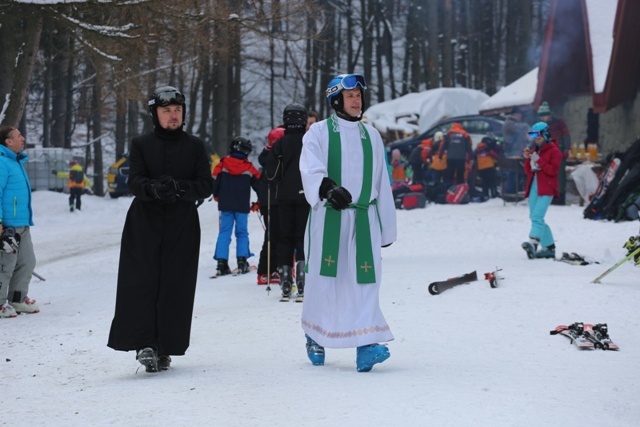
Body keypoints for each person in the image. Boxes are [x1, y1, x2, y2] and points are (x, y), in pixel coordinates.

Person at [107, 86, 212, 372]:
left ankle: (166, 345)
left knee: (176, 285)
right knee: (141, 282)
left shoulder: (195, 146)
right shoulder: (141, 143)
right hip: (145, 223)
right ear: (155, 114)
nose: (173, 115)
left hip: (182, 225)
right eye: (166, 111)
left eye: (177, 110)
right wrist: (153, 188)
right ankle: (144, 344)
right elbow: (134, 181)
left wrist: (180, 188)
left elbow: (206, 185)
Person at [299, 73, 397, 372]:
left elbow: (382, 183)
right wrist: (327, 189)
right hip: (330, 217)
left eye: (359, 95)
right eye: (350, 95)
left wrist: (387, 227)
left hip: (365, 218)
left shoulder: (372, 136)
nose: (357, 100)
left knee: (366, 279)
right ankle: (315, 335)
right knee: (324, 278)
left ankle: (366, 345)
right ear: (336, 99)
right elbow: (310, 168)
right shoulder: (317, 133)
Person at [266, 104, 311, 300]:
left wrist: (278, 182)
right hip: (306, 195)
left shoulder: (280, 144)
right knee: (303, 236)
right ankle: (302, 280)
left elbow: (270, 173)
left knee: (284, 237)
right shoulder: (310, 142)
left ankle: (285, 281)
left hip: (283, 197)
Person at [0, 126, 39, 318]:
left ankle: (17, 299)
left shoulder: (16, 161)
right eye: (18, 136)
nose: (22, 139)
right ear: (8, 141)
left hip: (22, 223)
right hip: (8, 226)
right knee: (6, 265)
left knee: (27, 261)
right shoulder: (2, 162)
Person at [212, 136, 260, 276]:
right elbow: (259, 185)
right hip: (242, 206)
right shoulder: (249, 168)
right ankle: (242, 261)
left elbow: (215, 180)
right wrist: (260, 202)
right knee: (242, 233)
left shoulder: (222, 164)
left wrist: (216, 195)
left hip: (225, 205)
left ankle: (221, 263)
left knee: (224, 233)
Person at [521, 121, 562, 259]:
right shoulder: (535, 150)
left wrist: (539, 161)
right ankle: (549, 248)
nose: (536, 139)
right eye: (534, 137)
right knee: (534, 217)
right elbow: (528, 171)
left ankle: (533, 243)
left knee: (537, 217)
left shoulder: (554, 151)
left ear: (546, 135)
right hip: (534, 186)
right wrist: (528, 159)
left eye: (538, 136)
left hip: (547, 187)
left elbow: (553, 171)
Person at [256, 126, 284, 285]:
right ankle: (265, 271)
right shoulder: (273, 158)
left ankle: (273, 269)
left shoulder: (268, 156)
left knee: (274, 236)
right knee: (273, 236)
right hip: (272, 202)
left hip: (270, 202)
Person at [537, 101, 571, 205]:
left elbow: (566, 136)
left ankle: (560, 197)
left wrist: (566, 149)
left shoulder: (559, 122)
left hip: (558, 151)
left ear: (549, 114)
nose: (542, 119)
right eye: (541, 117)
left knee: (559, 175)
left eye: (544, 116)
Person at [502, 107, 530, 194]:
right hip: (512, 152)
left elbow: (526, 137)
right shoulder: (509, 123)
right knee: (512, 172)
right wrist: (527, 126)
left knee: (517, 172)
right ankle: (510, 191)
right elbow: (521, 128)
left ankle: (515, 190)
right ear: (516, 115)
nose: (521, 117)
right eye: (520, 115)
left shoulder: (516, 123)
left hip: (518, 152)